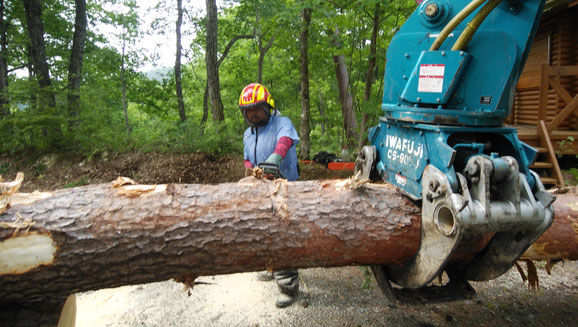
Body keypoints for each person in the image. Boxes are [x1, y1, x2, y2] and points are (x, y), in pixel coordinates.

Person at [238, 83, 300, 308]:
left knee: (283, 235)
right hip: (261, 189)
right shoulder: (247, 133)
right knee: (263, 230)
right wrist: (248, 168)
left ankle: (288, 286)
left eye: (257, 108)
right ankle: (270, 267)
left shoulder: (281, 123)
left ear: (268, 106)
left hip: (285, 187)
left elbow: (286, 140)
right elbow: (247, 158)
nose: (252, 113)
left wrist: (276, 157)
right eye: (248, 110)